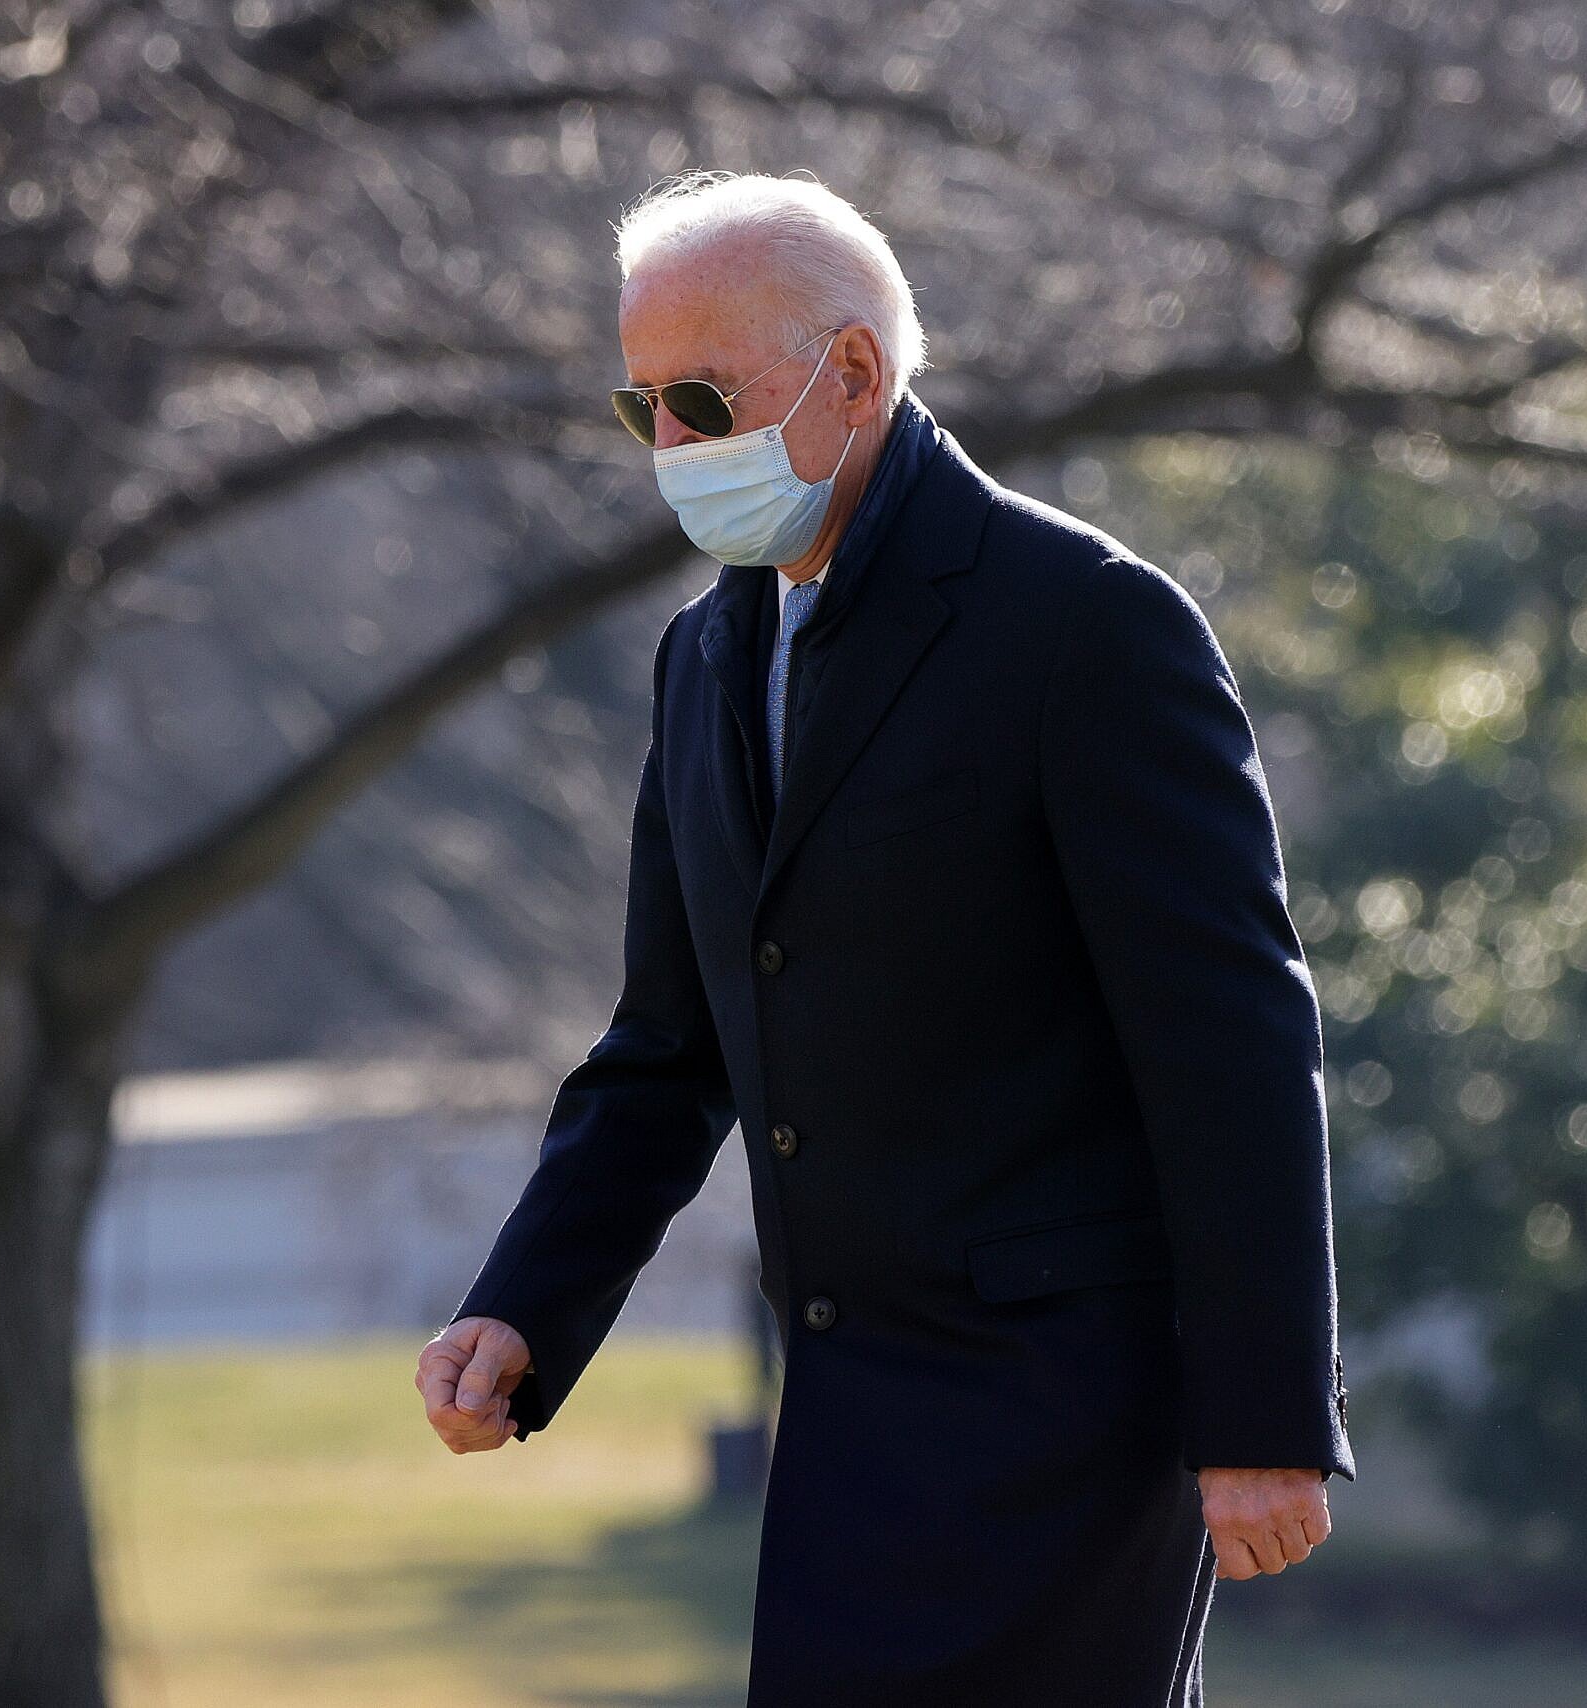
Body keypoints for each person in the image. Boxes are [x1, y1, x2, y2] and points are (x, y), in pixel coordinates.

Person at [412, 171, 1353, 1707]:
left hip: (1072, 1418)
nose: (671, 448)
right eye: (638, 406)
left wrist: (1262, 1419)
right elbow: (668, 1047)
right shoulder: (704, 654)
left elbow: (1235, 1041)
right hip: (849, 1407)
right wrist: (524, 1305)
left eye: (704, 397)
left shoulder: (1085, 621)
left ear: (855, 373)